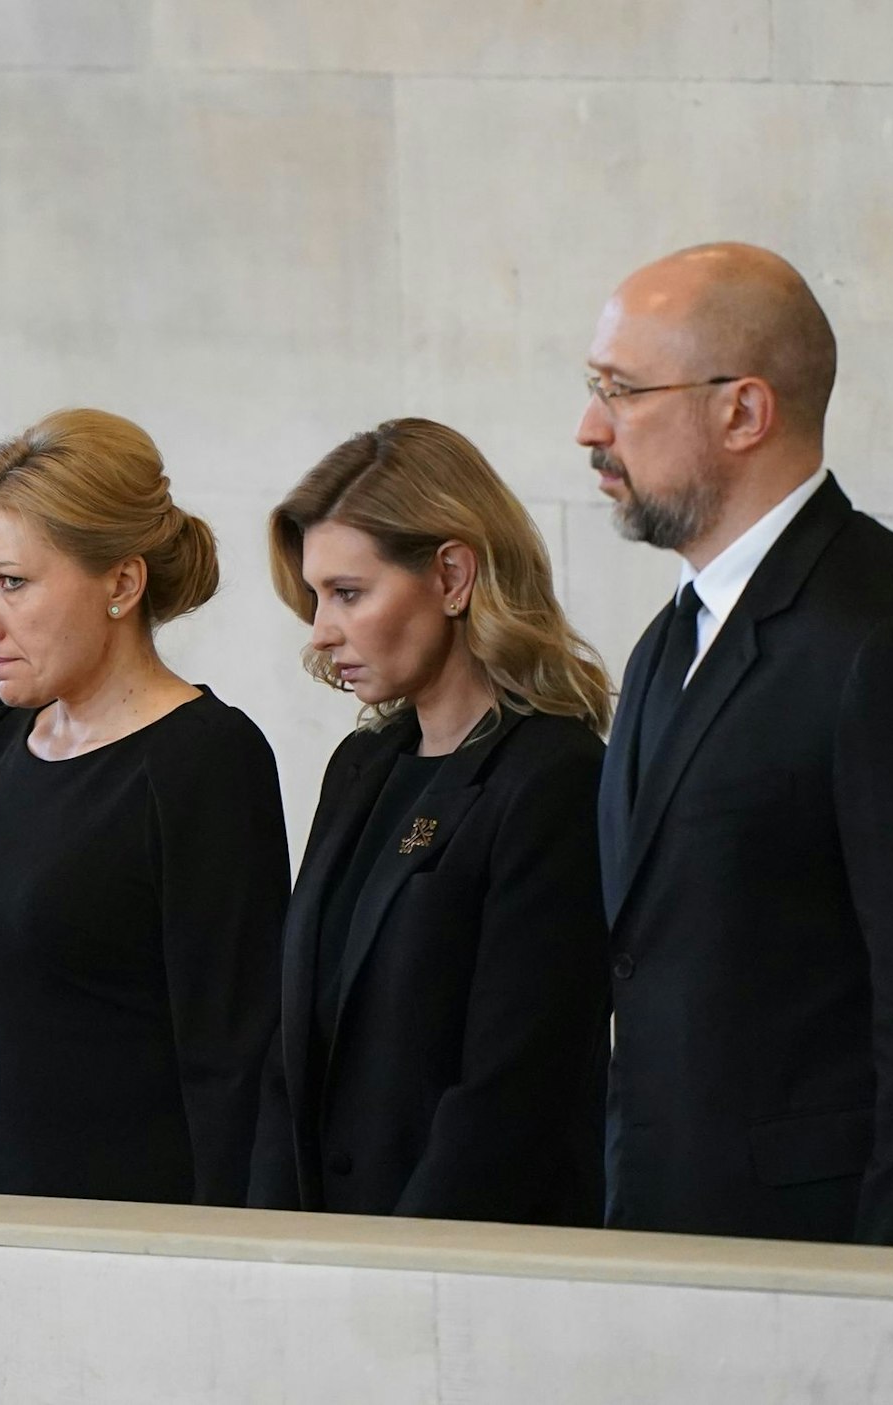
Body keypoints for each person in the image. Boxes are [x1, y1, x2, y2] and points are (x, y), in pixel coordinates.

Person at [581, 243, 893, 1253]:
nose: (590, 429)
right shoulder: (666, 641)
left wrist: (884, 1298)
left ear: (743, 411)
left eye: (621, 393)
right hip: (685, 1246)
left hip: (843, 1267)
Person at [249, 418, 612, 1225]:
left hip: (464, 1261)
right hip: (323, 1254)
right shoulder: (361, 766)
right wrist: (273, 1246)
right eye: (317, 596)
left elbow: (513, 1092)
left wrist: (400, 1267)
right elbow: (293, 1050)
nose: (320, 630)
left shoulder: (554, 777)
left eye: (348, 593)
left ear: (452, 576)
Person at [0, 408, 286, 1205]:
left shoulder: (205, 760)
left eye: (11, 582)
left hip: (138, 1233)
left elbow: (232, 1059)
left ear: (121, 583)